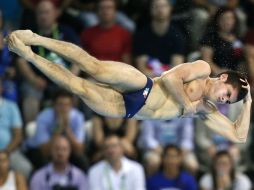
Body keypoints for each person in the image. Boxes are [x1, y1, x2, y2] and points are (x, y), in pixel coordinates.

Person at [7, 30, 252, 143]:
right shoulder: (203, 69)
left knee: (77, 87)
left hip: (131, 110)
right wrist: (186, 104)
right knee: (93, 67)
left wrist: (248, 101)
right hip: (144, 86)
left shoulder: (205, 110)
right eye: (228, 94)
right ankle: (36, 38)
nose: (224, 100)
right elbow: (168, 78)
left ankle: (28, 55)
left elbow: (239, 136)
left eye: (229, 101)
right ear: (222, 79)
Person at [25, 89, 86, 170]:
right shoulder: (43, 117)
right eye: (60, 105)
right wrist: (58, 128)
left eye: (67, 105)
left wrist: (67, 128)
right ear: (54, 105)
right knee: (43, 161)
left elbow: (79, 149)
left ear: (72, 105)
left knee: (81, 161)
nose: (64, 109)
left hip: (66, 149)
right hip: (38, 149)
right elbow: (45, 151)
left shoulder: (78, 117)